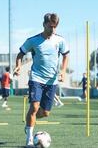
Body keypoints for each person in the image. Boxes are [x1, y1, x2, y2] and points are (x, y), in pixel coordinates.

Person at [13, 13, 69, 147]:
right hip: (36, 78)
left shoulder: (60, 41)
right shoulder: (33, 40)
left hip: (52, 81)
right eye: (50, 26)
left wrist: (63, 71)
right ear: (44, 25)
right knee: (34, 107)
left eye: (55, 27)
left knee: (45, 113)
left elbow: (66, 55)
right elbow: (20, 54)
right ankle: (29, 140)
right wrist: (18, 66)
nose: (53, 30)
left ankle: (29, 123)